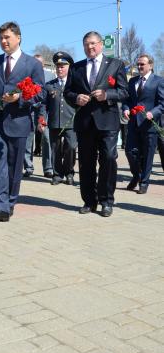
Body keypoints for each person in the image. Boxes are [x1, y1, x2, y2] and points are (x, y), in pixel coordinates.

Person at [0, 21, 45, 222]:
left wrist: (21, 99)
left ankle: (10, 201)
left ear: (18, 38)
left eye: (7, 37)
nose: (3, 41)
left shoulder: (32, 64)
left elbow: (41, 93)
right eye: (1, 38)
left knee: (14, 166)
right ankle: (0, 205)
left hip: (18, 122)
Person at [64, 31, 128, 217]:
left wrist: (107, 95)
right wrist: (76, 98)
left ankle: (106, 200)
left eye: (92, 43)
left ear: (100, 44)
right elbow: (67, 92)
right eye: (86, 44)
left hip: (107, 120)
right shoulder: (76, 68)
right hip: (85, 123)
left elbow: (124, 92)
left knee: (108, 158)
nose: (89, 47)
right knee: (86, 162)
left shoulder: (115, 65)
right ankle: (89, 201)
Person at [122, 54, 164, 193]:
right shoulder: (133, 81)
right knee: (129, 151)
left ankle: (144, 183)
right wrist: (126, 109)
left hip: (150, 124)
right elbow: (127, 100)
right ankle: (137, 175)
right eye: (138, 64)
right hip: (133, 123)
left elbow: (162, 104)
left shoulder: (158, 81)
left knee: (148, 155)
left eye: (142, 64)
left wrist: (153, 112)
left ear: (150, 65)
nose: (139, 67)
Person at [39, 52, 76, 185]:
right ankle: (57, 174)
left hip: (70, 122)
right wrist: (42, 119)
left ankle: (69, 172)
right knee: (55, 148)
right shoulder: (49, 85)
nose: (60, 69)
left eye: (63, 66)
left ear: (69, 67)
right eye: (58, 66)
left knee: (71, 148)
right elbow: (44, 104)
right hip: (54, 121)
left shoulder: (75, 84)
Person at [24, 54, 54, 178]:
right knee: (28, 139)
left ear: (42, 64)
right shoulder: (27, 75)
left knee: (46, 138)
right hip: (29, 109)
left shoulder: (50, 76)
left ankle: (48, 168)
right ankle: (28, 167)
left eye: (38, 63)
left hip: (44, 110)